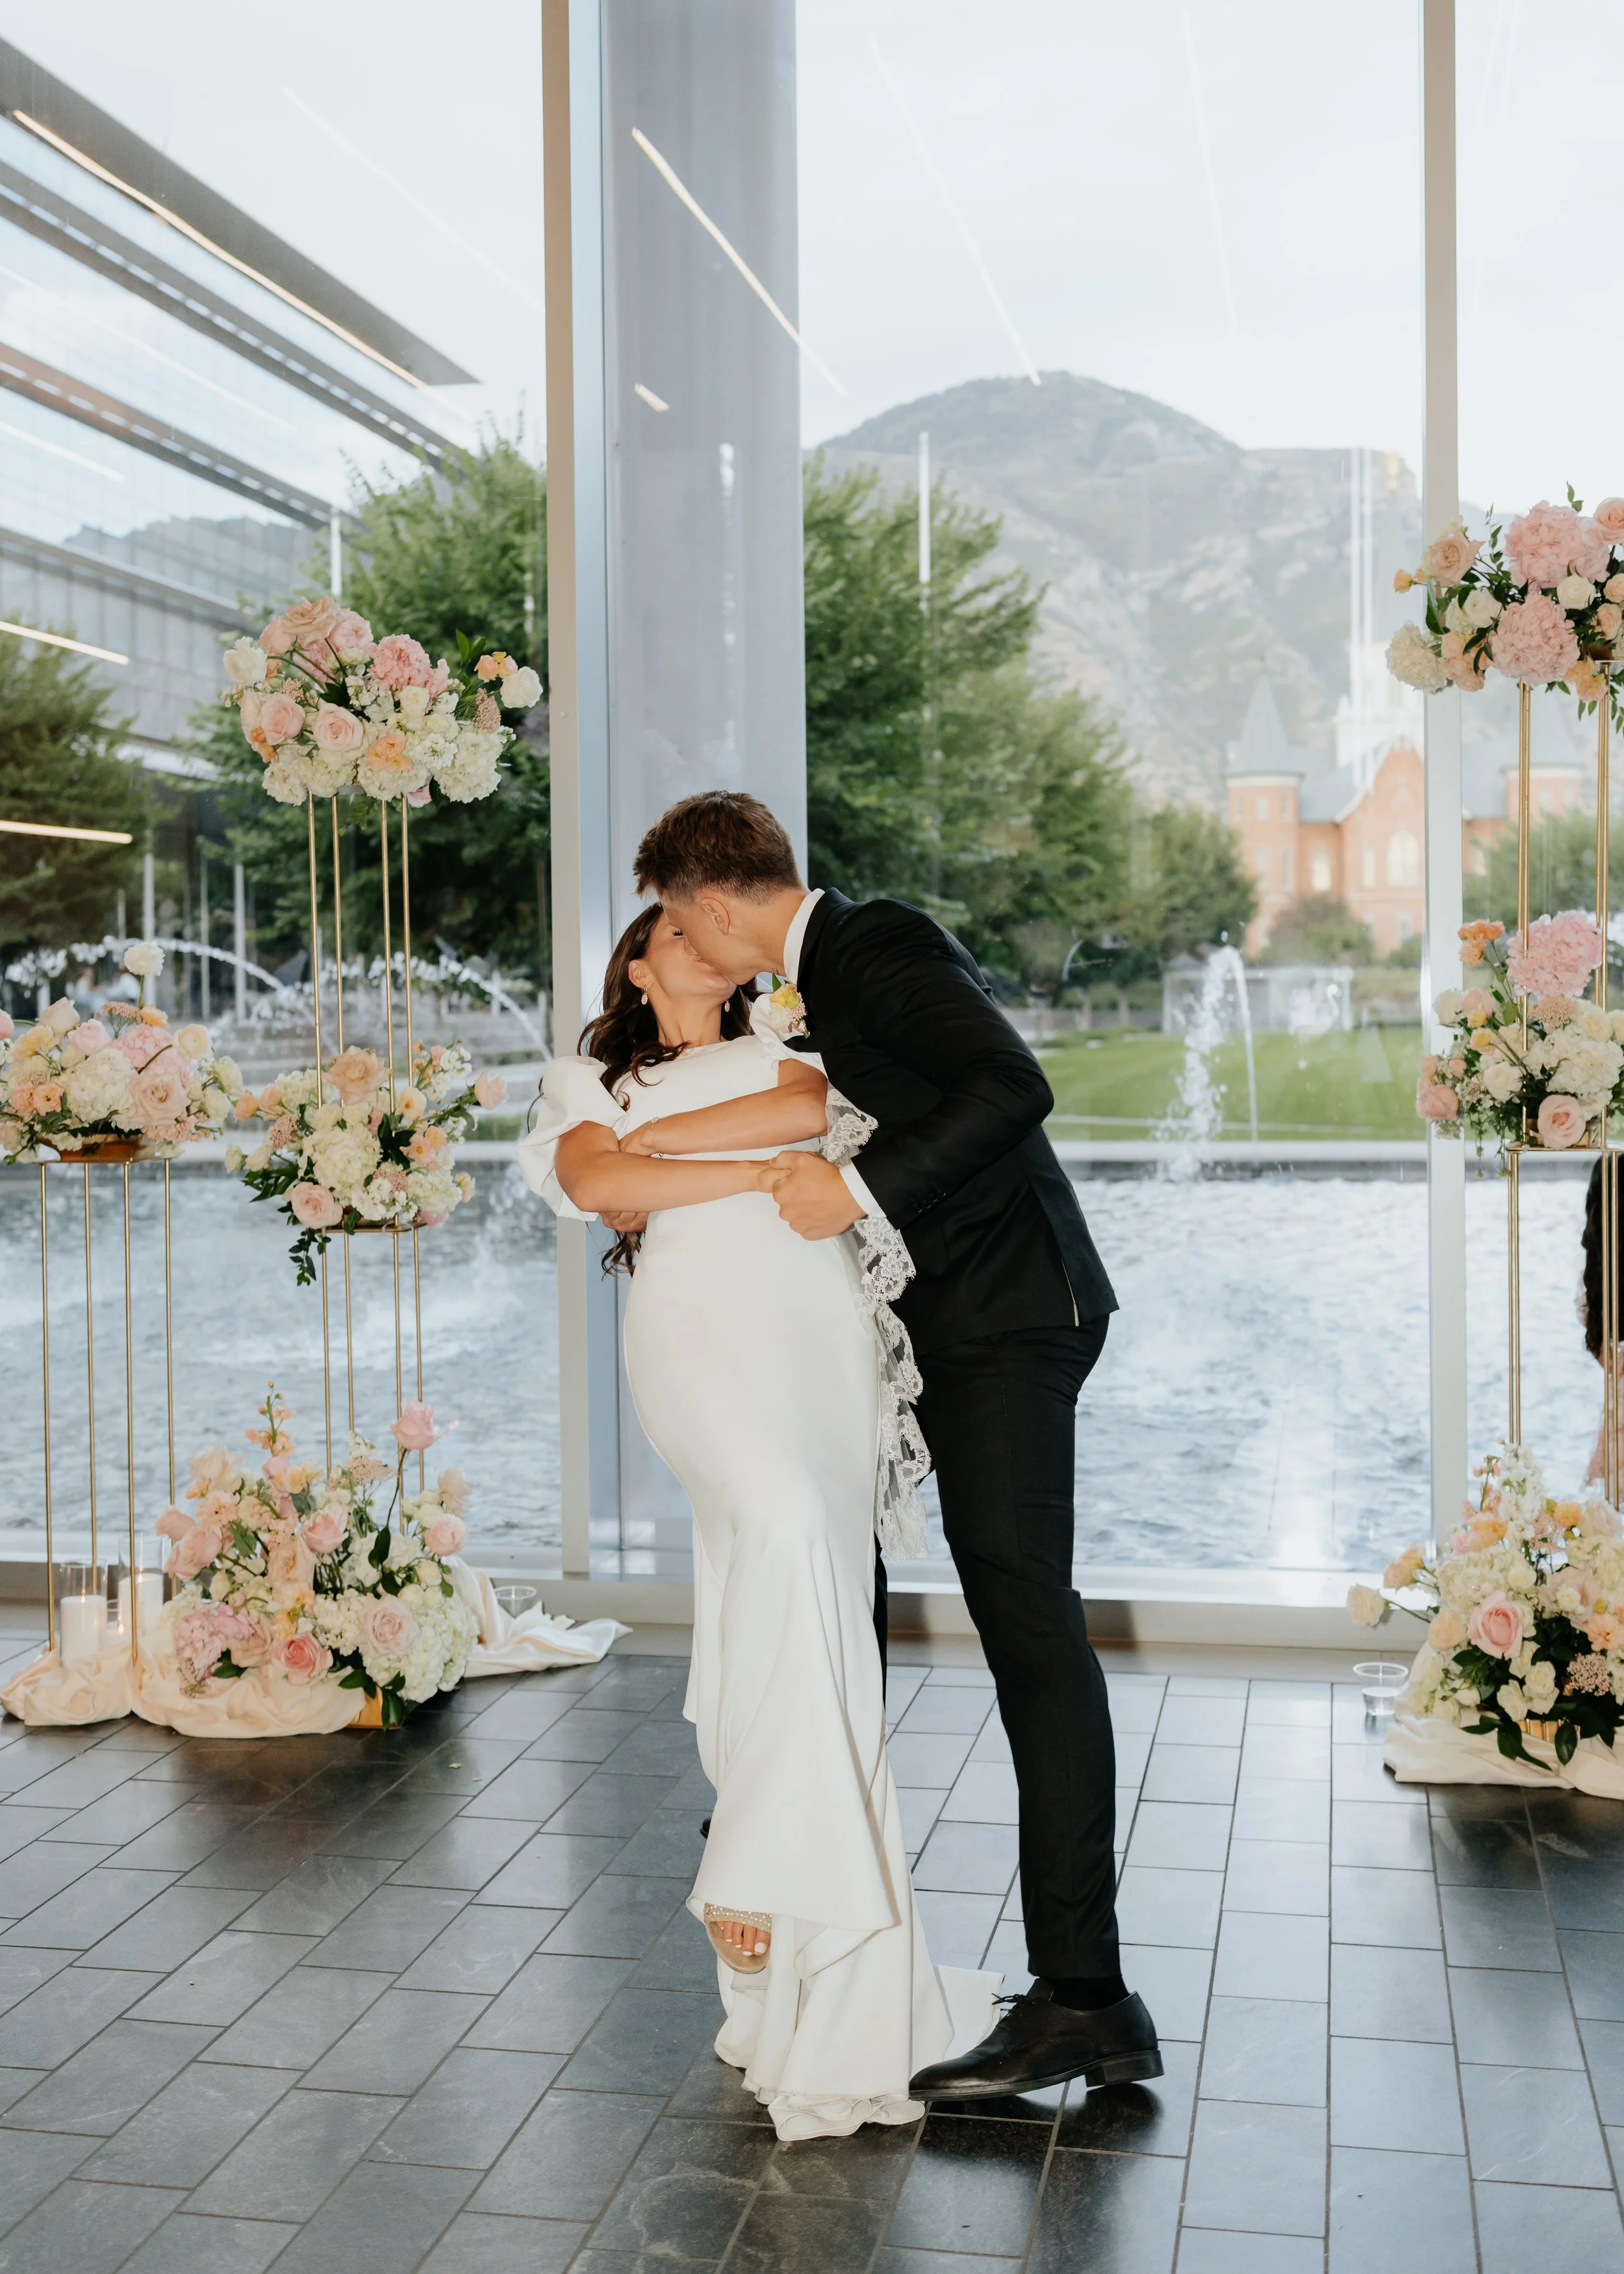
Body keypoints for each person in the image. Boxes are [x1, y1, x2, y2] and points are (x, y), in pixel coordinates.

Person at [635, 789, 1161, 2103]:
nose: (671, 936)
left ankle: (1085, 1998)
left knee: (1026, 1626)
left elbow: (1011, 1084)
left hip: (1006, 1318)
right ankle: (806, 1861)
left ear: (707, 901)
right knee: (845, 1577)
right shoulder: (812, 985)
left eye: (669, 914)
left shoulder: (870, 946)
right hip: (945, 1328)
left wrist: (853, 1190)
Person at [516, 902, 998, 2140]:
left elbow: (800, 1114)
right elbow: (595, 1177)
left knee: (793, 1588)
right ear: (633, 959)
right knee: (774, 1529)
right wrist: (744, 1175)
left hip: (819, 1348)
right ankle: (772, 1894)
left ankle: (779, 1940)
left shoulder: (791, 1045)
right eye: (671, 930)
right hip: (699, 1344)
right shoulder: (582, 1077)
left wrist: (667, 1152)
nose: (700, 942)